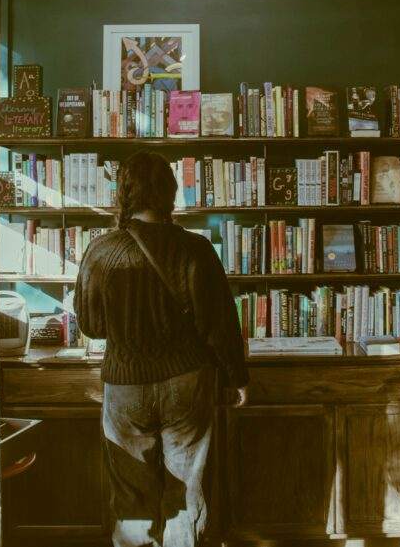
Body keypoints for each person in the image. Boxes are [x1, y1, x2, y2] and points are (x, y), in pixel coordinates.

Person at [75, 150, 249, 547]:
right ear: (170, 193)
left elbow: (91, 326)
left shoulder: (100, 252)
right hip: (187, 384)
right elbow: (220, 323)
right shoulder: (196, 249)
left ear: (125, 194)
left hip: (125, 387)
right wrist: (238, 378)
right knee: (185, 494)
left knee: (132, 499)